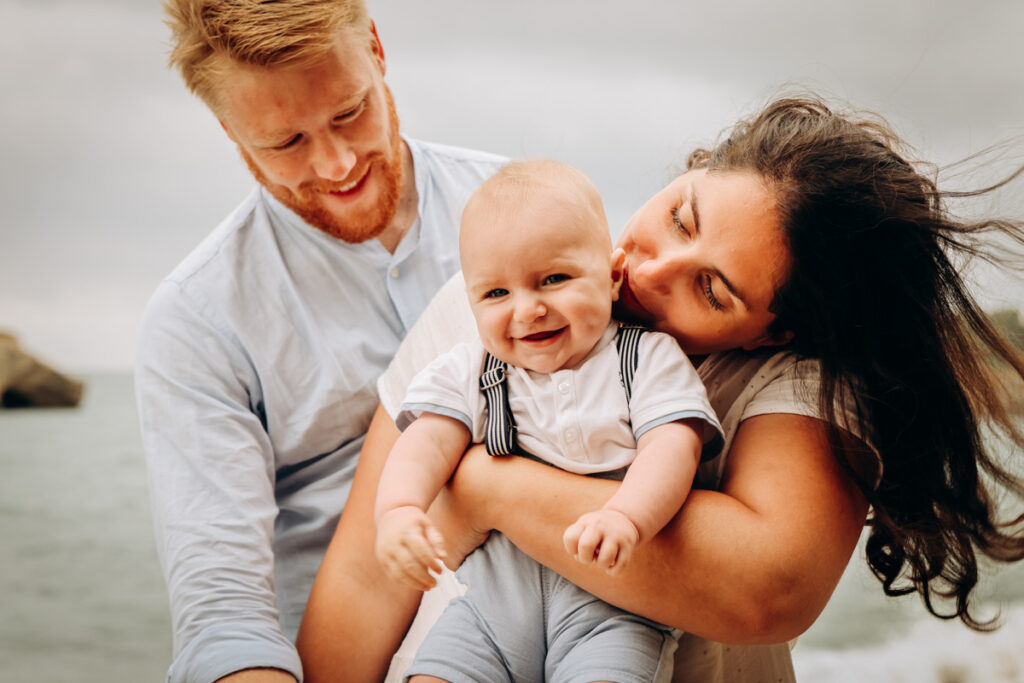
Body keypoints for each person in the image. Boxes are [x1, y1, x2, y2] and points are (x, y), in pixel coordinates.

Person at [297, 94, 1024, 682]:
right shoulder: (491, 299)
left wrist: (484, 486)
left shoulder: (794, 384)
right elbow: (364, 580)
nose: (648, 272)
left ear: (773, 332)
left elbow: (767, 580)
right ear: (690, 169)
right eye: (679, 216)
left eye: (710, 288)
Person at [135, 2, 506, 681]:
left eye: (349, 112)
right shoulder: (196, 319)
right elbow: (225, 615)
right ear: (229, 130)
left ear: (376, 48)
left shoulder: (520, 204)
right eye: (284, 143)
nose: (337, 164)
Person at [375, 160, 724, 682]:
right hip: (490, 611)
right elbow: (425, 441)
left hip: (612, 608)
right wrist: (398, 511)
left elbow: (674, 444)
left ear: (611, 277)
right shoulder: (474, 370)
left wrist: (626, 515)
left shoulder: (643, 358)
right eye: (496, 293)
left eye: (553, 279)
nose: (527, 309)